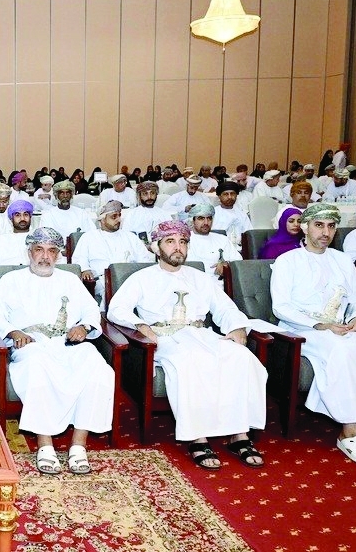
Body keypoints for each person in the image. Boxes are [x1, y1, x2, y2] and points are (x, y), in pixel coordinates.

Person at [107, 220, 267, 470]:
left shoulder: (200, 278)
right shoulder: (141, 278)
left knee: (243, 359)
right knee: (191, 362)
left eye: (183, 242)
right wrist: (140, 325)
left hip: (200, 334)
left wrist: (237, 326)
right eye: (170, 242)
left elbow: (225, 308)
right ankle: (197, 437)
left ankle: (239, 434)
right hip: (166, 338)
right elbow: (116, 309)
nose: (177, 248)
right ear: (156, 247)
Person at [0, 227, 113, 475]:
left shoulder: (70, 280)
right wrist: (13, 332)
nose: (45, 256)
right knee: (37, 367)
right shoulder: (12, 280)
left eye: (52, 251)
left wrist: (84, 327)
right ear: (29, 252)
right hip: (31, 346)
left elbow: (91, 311)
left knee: (98, 367)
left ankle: (78, 445)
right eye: (39, 250)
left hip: (66, 344)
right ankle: (45, 446)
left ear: (59, 255)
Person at [270, 203, 356, 467]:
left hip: (341, 327)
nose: (325, 232)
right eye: (319, 225)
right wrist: (321, 326)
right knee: (339, 351)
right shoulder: (287, 261)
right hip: (303, 330)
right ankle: (349, 431)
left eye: (331, 226)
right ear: (304, 227)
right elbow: (280, 306)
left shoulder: (341, 260)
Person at [73, 201, 154, 306]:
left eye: (119, 216)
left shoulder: (130, 237)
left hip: (132, 279)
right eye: (114, 217)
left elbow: (144, 260)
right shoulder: (88, 237)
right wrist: (85, 270)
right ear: (102, 220)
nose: (119, 220)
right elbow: (80, 258)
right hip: (102, 281)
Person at [185, 204, 242, 285]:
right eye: (201, 218)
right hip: (192, 285)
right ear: (192, 221)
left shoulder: (222, 239)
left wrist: (227, 265)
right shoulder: (184, 240)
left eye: (209, 218)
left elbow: (238, 262)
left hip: (220, 287)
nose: (206, 222)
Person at [0, 200, 35, 273]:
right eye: (17, 215)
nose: (22, 219)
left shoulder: (38, 239)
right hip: (6, 278)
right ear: (11, 219)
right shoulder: (0, 240)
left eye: (26, 214)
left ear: (30, 217)